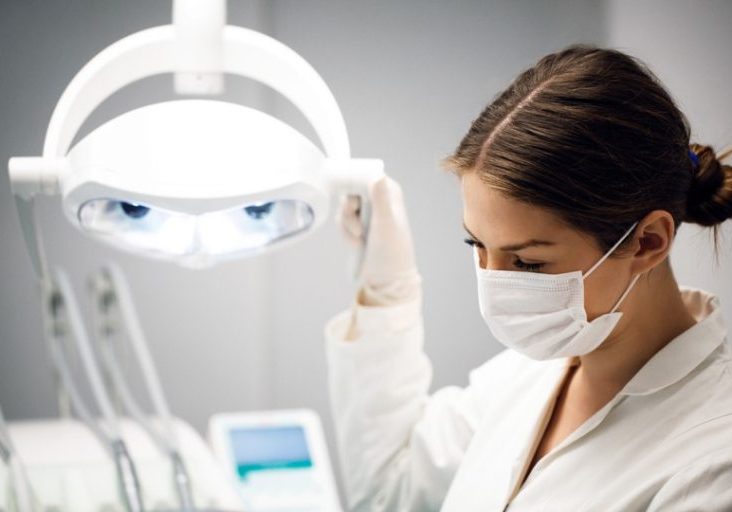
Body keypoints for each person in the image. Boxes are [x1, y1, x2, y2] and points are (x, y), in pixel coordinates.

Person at [323, 44, 732, 511]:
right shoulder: (525, 375)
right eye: (475, 245)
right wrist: (384, 292)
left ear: (648, 242)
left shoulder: (714, 462)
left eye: (529, 264)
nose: (494, 287)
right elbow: (390, 495)